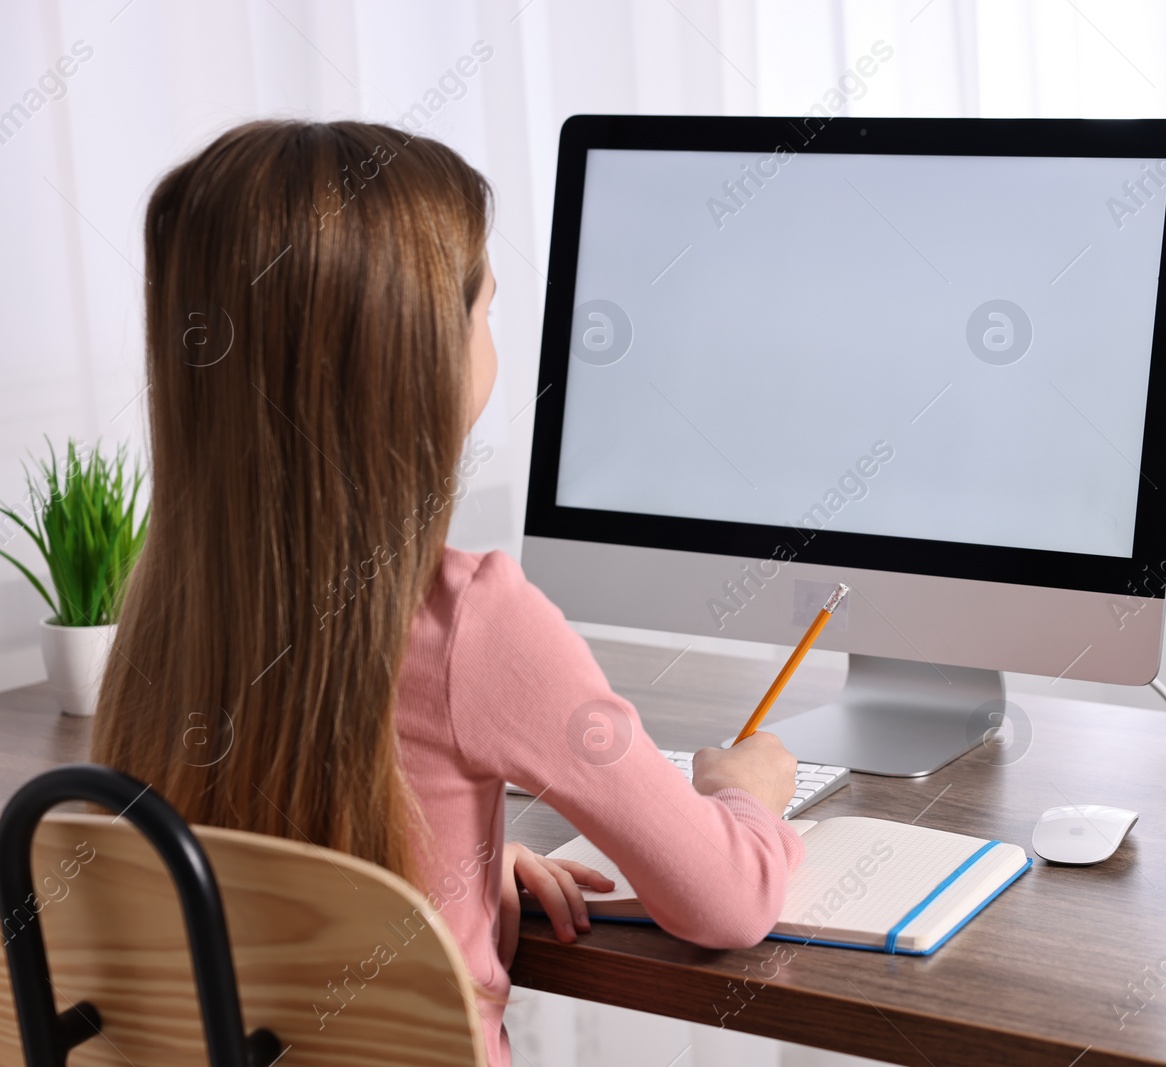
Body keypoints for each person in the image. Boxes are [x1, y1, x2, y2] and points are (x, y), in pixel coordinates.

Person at [91, 120, 802, 1064]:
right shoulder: (474, 621)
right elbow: (725, 898)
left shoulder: (165, 602)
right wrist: (746, 796)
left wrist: (430, 879)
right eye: (484, 310)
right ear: (416, 356)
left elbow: (237, 864)